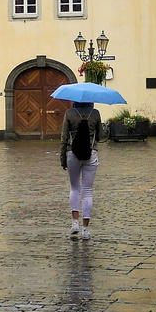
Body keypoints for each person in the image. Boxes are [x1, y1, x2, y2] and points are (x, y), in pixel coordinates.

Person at [60, 101, 102, 239]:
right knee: (87, 191)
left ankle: (74, 223)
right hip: (91, 154)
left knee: (74, 188)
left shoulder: (69, 114)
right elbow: (100, 136)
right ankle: (85, 230)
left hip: (73, 154)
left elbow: (64, 138)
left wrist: (62, 159)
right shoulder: (95, 114)